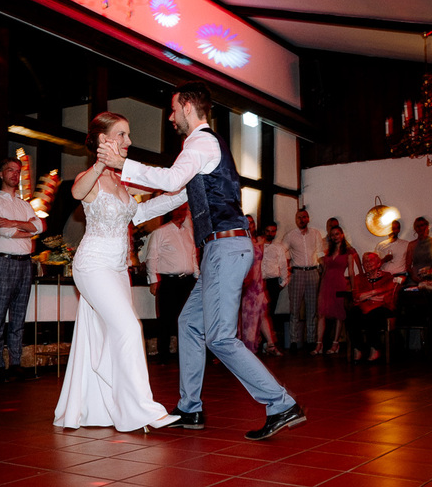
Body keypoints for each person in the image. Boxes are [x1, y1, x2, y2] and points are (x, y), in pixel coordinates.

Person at [97, 81, 304, 441]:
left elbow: (172, 178)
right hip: (216, 251)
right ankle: (190, 408)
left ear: (189, 108)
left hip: (226, 247)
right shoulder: (196, 147)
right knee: (191, 323)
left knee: (221, 337)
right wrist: (135, 211)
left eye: (174, 109)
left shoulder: (203, 142)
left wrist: (123, 164)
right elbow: (177, 192)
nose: (171, 116)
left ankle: (281, 403)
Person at [54, 111, 180, 432]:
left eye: (128, 134)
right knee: (128, 328)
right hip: (93, 265)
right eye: (122, 135)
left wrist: (183, 192)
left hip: (118, 269)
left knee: (110, 335)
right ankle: (143, 411)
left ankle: (102, 409)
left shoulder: (121, 181)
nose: (129, 141)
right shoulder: (93, 177)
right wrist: (100, 164)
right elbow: (76, 192)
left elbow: (140, 212)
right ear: (103, 140)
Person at [0, 157, 45, 382]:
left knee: (19, 317)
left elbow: (41, 226)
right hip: (3, 261)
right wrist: (26, 229)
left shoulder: (25, 204)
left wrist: (13, 223)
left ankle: (16, 364)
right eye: (9, 170)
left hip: (24, 263)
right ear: (1, 174)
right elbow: (5, 232)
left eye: (17, 171)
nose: (14, 174)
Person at [145, 203, 198, 364]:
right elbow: (151, 258)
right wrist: (153, 281)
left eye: (184, 210)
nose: (182, 213)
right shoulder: (160, 233)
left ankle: (185, 356)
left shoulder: (189, 233)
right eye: (179, 209)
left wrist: (197, 276)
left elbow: (193, 256)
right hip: (169, 282)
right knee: (166, 320)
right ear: (171, 211)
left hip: (188, 282)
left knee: (187, 319)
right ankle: (163, 357)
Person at [282, 208, 325, 352]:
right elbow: (282, 252)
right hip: (297, 273)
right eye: (299, 217)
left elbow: (320, 252)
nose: (302, 219)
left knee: (312, 309)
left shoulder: (315, 233)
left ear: (308, 218)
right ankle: (294, 341)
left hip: (313, 272)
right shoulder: (290, 235)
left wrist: (322, 269)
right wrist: (285, 267)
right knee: (294, 308)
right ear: (296, 219)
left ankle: (311, 340)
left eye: (304, 217)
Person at [239, 216, 282, 356]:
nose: (250, 225)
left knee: (262, 314)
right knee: (247, 316)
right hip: (246, 281)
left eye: (252, 222)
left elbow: (261, 262)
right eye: (248, 223)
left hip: (257, 281)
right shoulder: (241, 241)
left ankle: (270, 344)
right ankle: (246, 347)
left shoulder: (259, 241)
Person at [348, 252, 399, 362]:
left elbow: (388, 297)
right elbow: (357, 297)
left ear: (378, 263)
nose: (367, 263)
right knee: (352, 313)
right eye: (365, 261)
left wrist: (368, 295)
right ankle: (358, 347)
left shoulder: (387, 276)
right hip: (364, 307)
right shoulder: (359, 278)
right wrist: (376, 294)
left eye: (370, 260)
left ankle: (375, 348)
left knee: (373, 315)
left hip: (383, 308)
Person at [315, 225, 358, 355]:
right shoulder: (328, 251)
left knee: (339, 314)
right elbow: (323, 268)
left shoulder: (348, 252)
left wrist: (354, 288)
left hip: (339, 283)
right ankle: (319, 345)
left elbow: (351, 272)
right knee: (321, 313)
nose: (335, 237)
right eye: (332, 235)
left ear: (342, 235)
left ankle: (335, 344)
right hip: (326, 283)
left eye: (337, 234)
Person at [261, 221, 289, 345]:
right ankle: (260, 340)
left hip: (273, 283)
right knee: (258, 312)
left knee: (270, 312)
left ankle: (269, 342)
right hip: (259, 282)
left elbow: (283, 265)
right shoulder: (258, 246)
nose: (270, 233)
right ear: (264, 231)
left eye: (273, 231)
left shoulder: (278, 247)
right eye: (268, 231)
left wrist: (282, 283)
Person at [405, 216, 432, 286]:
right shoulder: (411, 244)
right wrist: (414, 276)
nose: (420, 228)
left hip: (430, 275)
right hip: (415, 276)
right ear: (415, 229)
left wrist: (430, 272)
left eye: (421, 225)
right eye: (417, 226)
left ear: (427, 226)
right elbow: (408, 265)